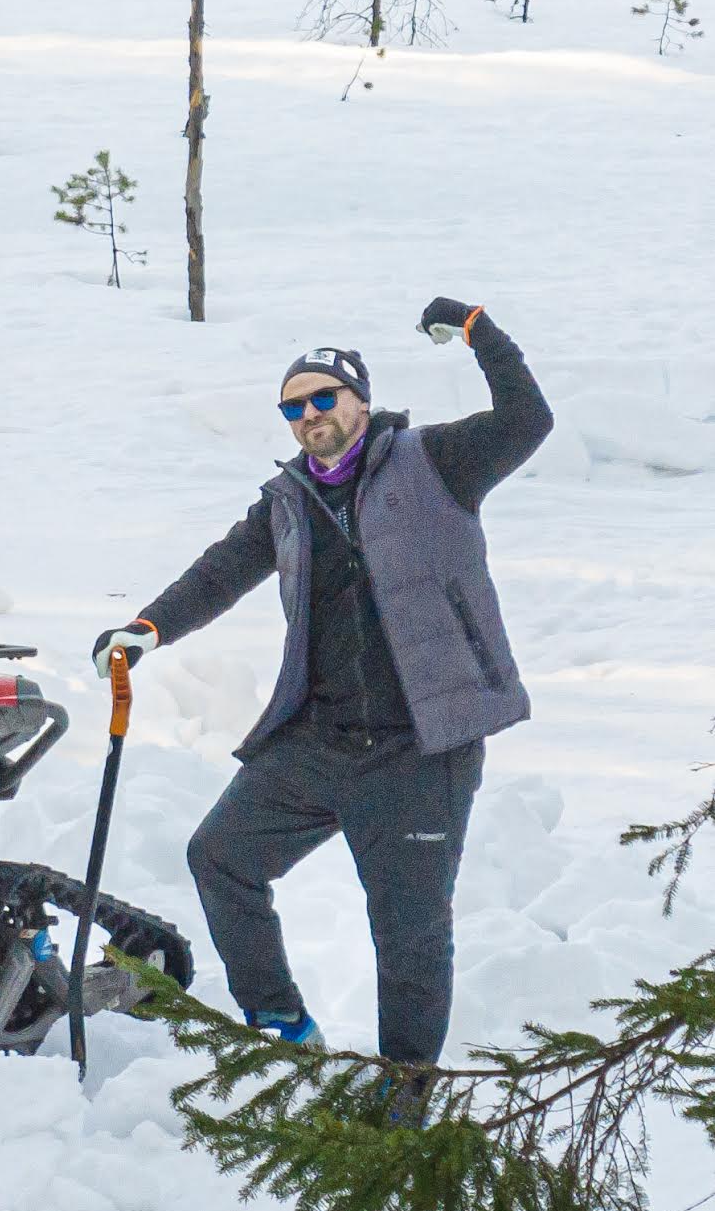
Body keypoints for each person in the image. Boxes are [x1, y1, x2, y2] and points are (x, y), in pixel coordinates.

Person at [94, 301, 552, 1070]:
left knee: (407, 931)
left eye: (321, 398)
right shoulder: (286, 502)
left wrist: (477, 328)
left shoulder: (435, 459)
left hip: (419, 748)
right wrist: (147, 627)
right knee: (219, 857)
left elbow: (527, 419)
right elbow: (219, 572)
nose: (307, 415)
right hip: (318, 739)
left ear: (359, 402)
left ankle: (401, 1095)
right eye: (292, 406)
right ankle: (281, 1023)